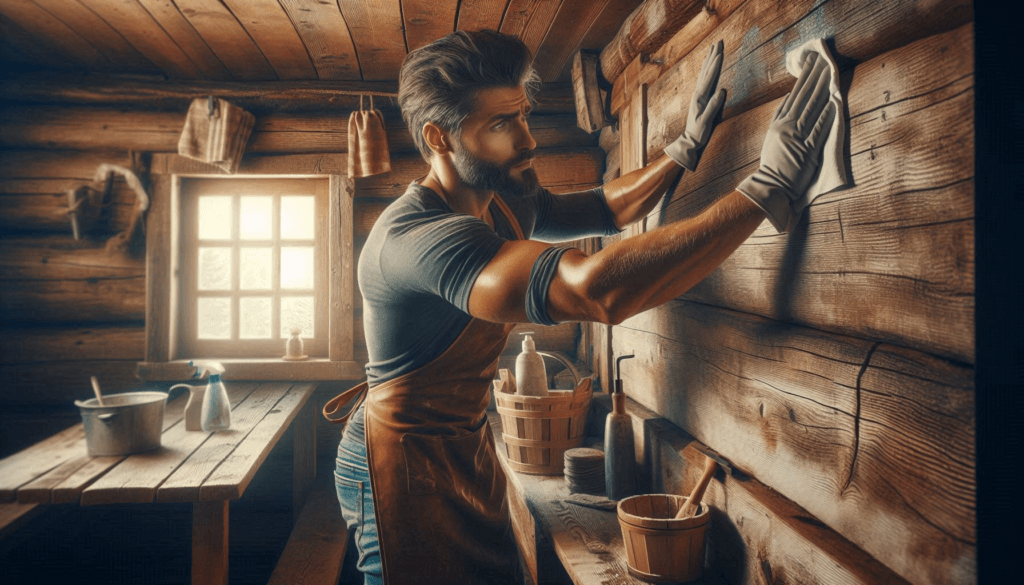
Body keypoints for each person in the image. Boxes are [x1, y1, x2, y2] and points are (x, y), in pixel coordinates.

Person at [329, 29, 835, 585]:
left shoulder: (498, 192)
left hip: (464, 443)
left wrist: (683, 151)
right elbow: (595, 290)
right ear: (439, 137)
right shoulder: (418, 239)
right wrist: (766, 188)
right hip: (397, 461)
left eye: (523, 114)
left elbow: (602, 208)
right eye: (501, 124)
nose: (528, 140)